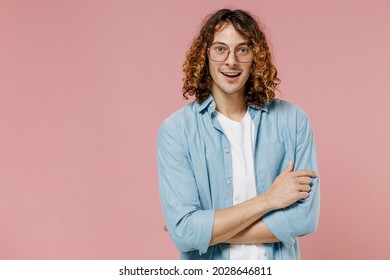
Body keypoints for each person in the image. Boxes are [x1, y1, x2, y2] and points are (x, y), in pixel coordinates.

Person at [157, 8, 320, 260]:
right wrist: (269, 200)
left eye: (242, 49)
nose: (231, 61)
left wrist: (204, 230)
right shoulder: (176, 130)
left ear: (256, 56)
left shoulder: (293, 121)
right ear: (206, 55)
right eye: (220, 49)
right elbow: (185, 233)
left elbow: (303, 219)